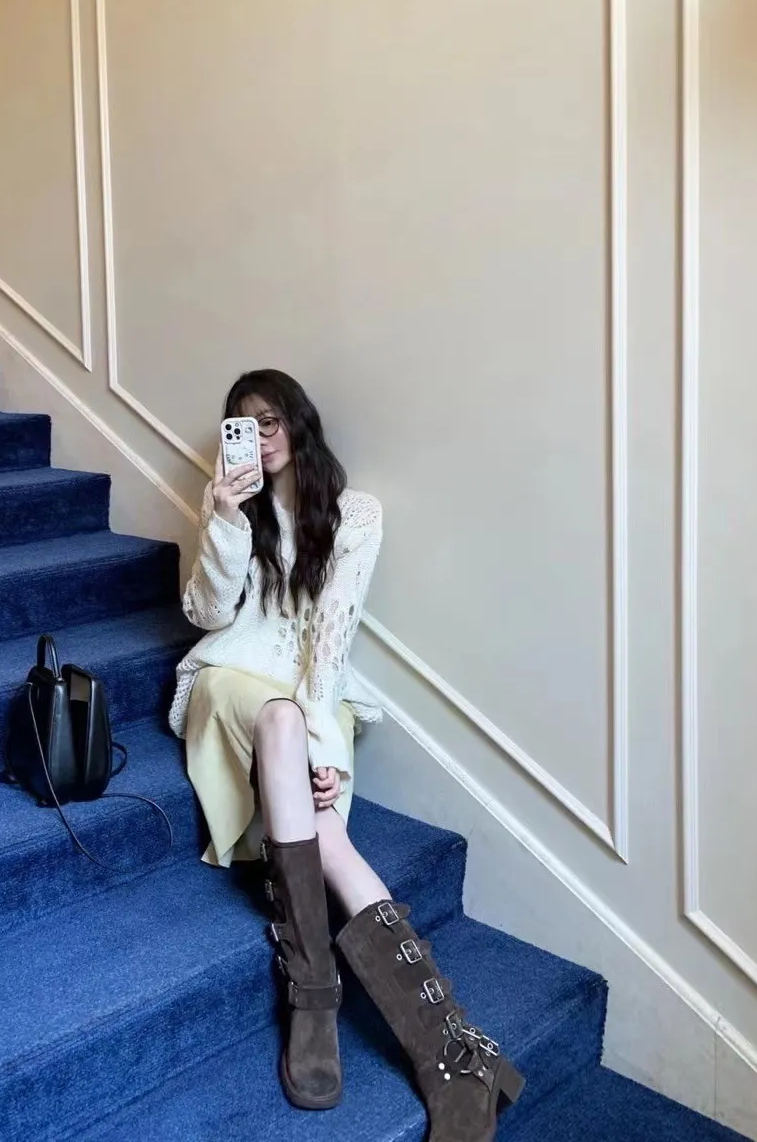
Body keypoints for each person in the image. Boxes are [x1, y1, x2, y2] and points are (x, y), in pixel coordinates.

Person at [169, 370, 524, 1142]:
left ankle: (446, 1049)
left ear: (298, 424)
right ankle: (333, 999)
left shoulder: (355, 514)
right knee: (274, 720)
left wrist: (322, 746)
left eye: (270, 421)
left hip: (312, 700)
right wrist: (225, 517)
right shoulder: (229, 502)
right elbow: (206, 613)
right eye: (244, 425)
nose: (260, 438)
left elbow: (331, 644)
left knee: (323, 822)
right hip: (231, 683)